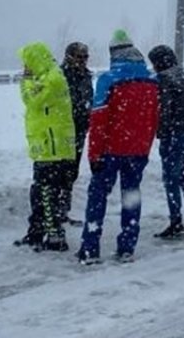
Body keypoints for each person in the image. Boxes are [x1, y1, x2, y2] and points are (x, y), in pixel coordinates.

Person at [77, 30, 159, 264]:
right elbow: (153, 119)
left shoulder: (108, 80)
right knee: (131, 196)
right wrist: (144, 147)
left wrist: (94, 154)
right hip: (138, 151)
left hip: (110, 150)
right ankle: (127, 247)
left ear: (113, 52)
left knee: (98, 197)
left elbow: (98, 120)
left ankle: (91, 248)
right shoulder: (151, 81)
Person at [14, 42, 77, 252]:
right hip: (47, 146)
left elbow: (32, 101)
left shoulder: (53, 79)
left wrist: (25, 81)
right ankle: (37, 233)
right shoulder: (49, 77)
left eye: (27, 62)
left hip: (53, 148)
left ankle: (55, 236)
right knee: (41, 192)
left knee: (48, 193)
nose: (25, 67)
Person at [148, 45, 184, 238]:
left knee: (171, 178)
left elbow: (164, 111)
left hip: (175, 134)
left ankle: (176, 220)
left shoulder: (163, 80)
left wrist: (161, 133)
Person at [59, 42, 93, 226]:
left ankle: (63, 211)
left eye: (85, 57)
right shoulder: (60, 76)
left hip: (80, 129)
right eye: (79, 57)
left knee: (72, 172)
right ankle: (55, 212)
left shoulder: (86, 76)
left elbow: (90, 99)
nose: (82, 61)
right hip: (63, 130)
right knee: (60, 171)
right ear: (69, 56)